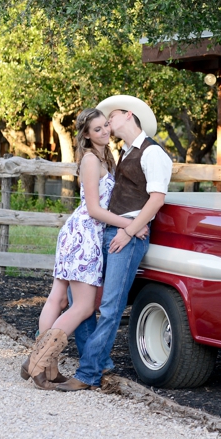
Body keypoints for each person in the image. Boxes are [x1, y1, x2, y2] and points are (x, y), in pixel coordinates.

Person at [22, 107, 145, 389]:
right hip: (84, 234)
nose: (104, 131)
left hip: (80, 233)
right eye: (97, 129)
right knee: (84, 305)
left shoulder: (107, 156)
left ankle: (48, 368)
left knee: (59, 299)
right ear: (87, 136)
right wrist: (134, 224)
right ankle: (38, 361)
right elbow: (93, 210)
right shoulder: (91, 160)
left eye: (105, 126)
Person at [55, 95, 171, 391]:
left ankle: (88, 374)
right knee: (83, 302)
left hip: (128, 237)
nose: (108, 123)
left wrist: (130, 230)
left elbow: (157, 199)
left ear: (128, 115)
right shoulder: (124, 152)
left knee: (110, 306)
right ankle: (101, 361)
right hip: (109, 233)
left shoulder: (153, 153)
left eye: (111, 117)